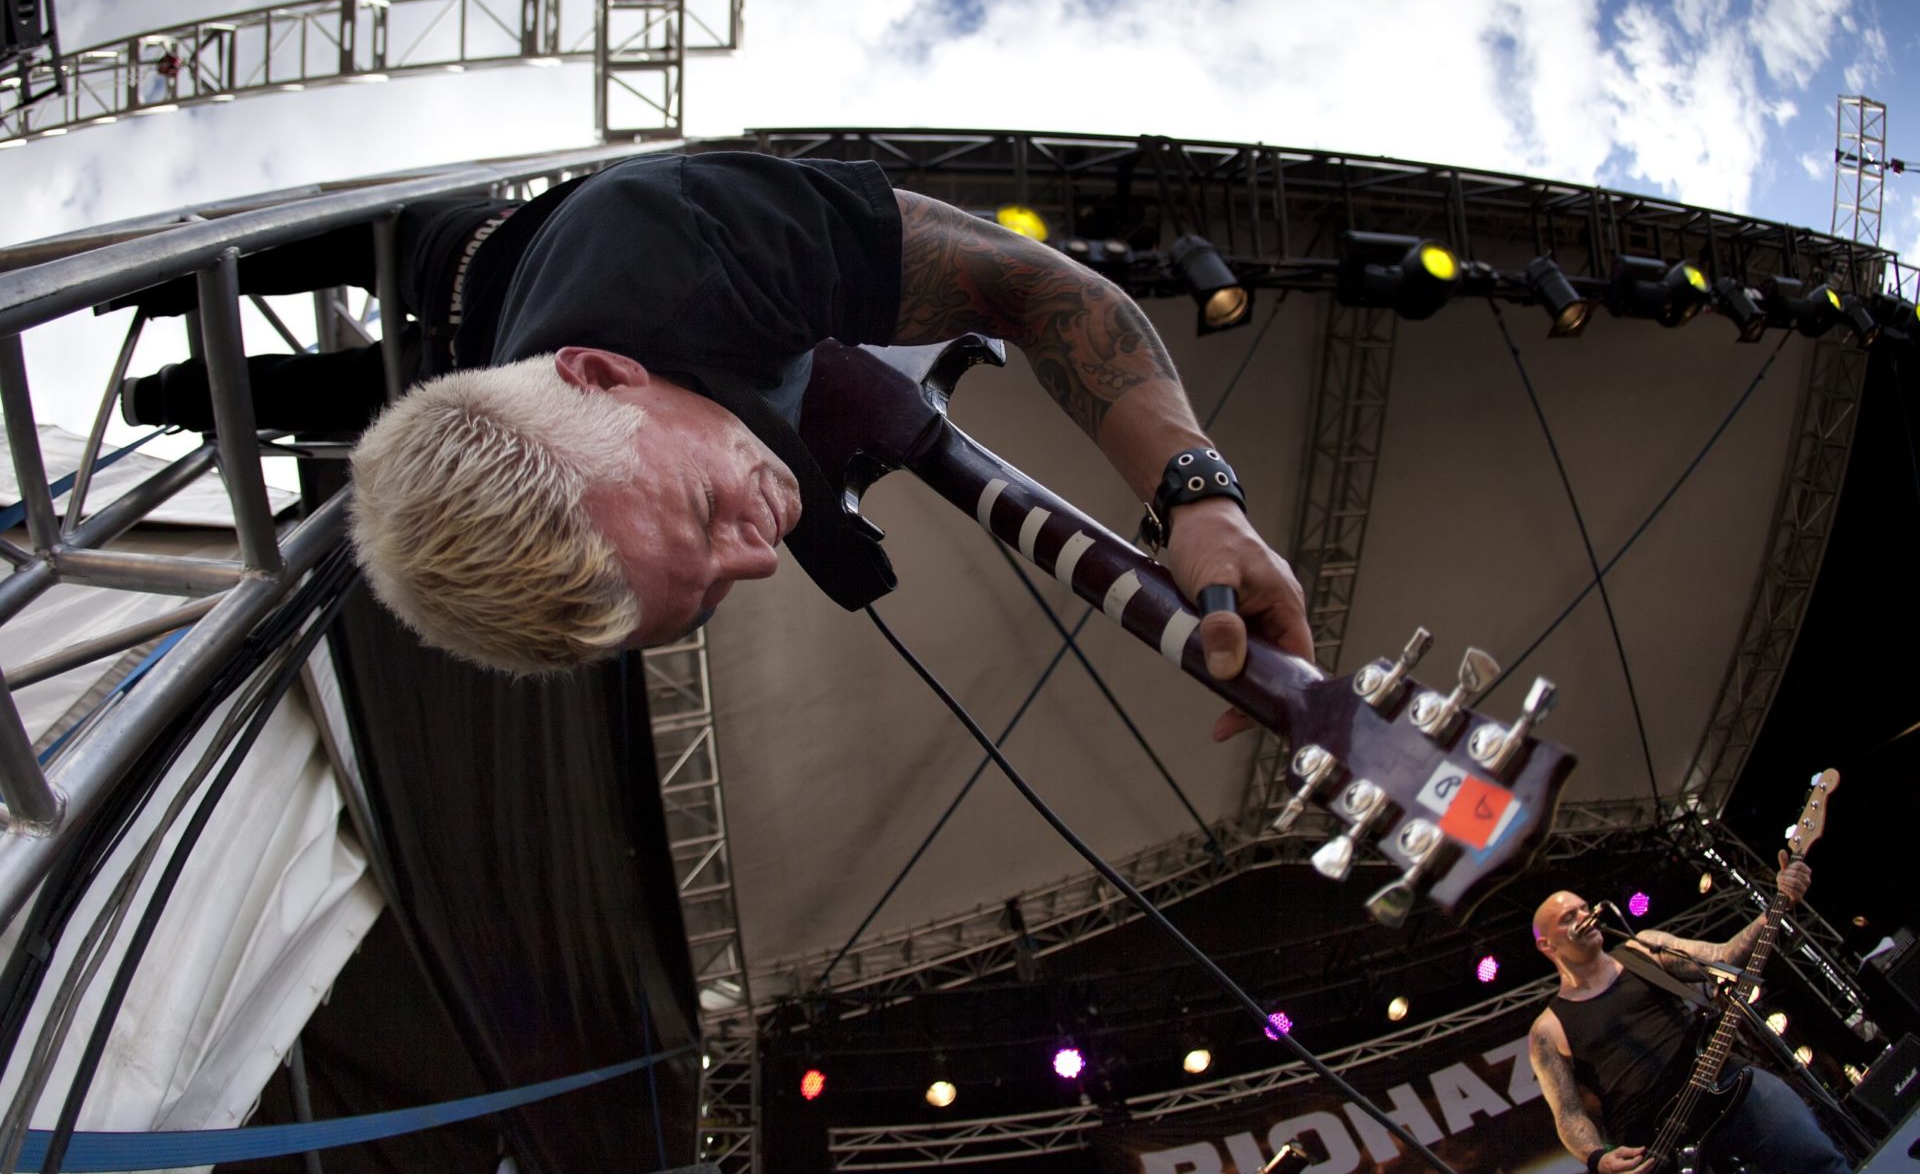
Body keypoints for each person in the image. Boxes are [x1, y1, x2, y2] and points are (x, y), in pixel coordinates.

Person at [280, 151, 1316, 718]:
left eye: (704, 516)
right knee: (290, 379)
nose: (763, 557)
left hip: (472, 253)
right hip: (465, 356)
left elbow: (1033, 287)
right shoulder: (579, 428)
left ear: (602, 376)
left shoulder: (701, 237)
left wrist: (1200, 496)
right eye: (716, 591)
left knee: (308, 355)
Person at [1527, 858, 1851, 1173]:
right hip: (1654, 1142)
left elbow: (1724, 957)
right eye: (1569, 917)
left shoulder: (1643, 949)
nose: (1586, 917)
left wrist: (1776, 906)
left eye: (1585, 907)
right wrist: (1597, 1158)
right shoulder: (1548, 1027)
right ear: (1546, 945)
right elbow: (1568, 1112)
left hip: (1724, 1078)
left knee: (1816, 1159)